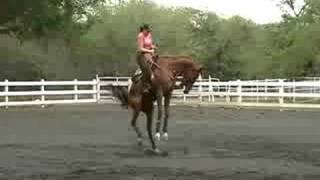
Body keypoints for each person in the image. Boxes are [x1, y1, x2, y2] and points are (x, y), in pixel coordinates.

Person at [136, 23, 157, 93]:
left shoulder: (149, 35)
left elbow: (150, 44)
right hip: (141, 55)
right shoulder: (140, 36)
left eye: (149, 31)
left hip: (149, 54)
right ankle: (144, 86)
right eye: (147, 31)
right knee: (146, 69)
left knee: (157, 65)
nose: (148, 32)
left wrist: (153, 46)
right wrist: (150, 50)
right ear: (144, 30)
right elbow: (140, 49)